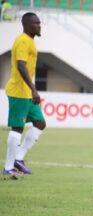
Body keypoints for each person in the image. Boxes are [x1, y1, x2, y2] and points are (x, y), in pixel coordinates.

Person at [2, 12, 45, 179]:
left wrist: (32, 90)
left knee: (40, 123)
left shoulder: (30, 41)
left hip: (27, 92)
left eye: (39, 23)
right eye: (35, 23)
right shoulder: (22, 41)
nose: (39, 25)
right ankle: (8, 167)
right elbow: (21, 66)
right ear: (26, 24)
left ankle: (18, 158)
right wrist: (33, 88)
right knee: (17, 128)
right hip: (19, 91)